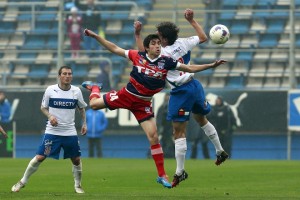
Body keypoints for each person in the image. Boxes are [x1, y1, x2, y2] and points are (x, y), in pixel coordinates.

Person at [82, 28, 226, 188]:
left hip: (143, 104)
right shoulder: (137, 55)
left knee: (154, 137)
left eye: (159, 43)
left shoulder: (167, 62)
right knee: (94, 105)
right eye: (153, 43)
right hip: (126, 96)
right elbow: (115, 48)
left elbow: (189, 68)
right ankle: (95, 88)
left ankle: (162, 175)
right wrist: (96, 36)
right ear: (147, 47)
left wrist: (211, 65)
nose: (157, 46)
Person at [134, 8, 229, 188]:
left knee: (178, 132)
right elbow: (203, 38)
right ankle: (220, 150)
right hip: (195, 86)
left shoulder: (163, 54)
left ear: (163, 39)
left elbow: (142, 55)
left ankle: (180, 171)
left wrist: (137, 34)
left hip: (181, 91)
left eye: (158, 36)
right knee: (201, 119)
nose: (156, 39)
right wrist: (192, 21)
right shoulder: (183, 42)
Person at [11, 66, 87, 194]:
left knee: (76, 159)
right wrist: (50, 116)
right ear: (59, 76)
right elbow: (43, 107)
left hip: (69, 132)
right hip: (52, 131)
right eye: (64, 74)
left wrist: (84, 123)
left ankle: (78, 185)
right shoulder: (50, 90)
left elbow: (81, 108)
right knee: (40, 157)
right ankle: (22, 182)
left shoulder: (76, 91)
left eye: (70, 74)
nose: (67, 76)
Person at [156, 93, 175, 158]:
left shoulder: (173, 108)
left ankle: (172, 156)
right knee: (164, 143)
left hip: (171, 129)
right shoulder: (161, 108)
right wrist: (159, 128)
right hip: (163, 129)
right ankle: (164, 156)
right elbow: (159, 119)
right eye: (166, 98)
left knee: (171, 143)